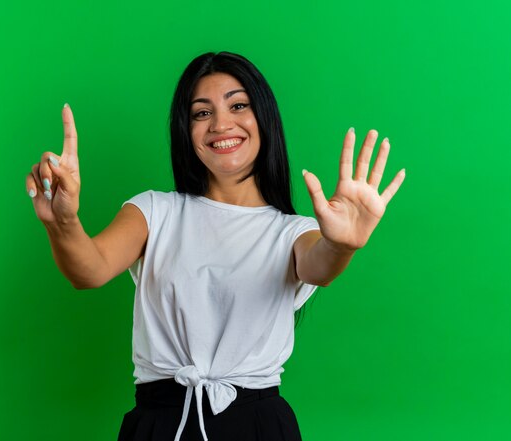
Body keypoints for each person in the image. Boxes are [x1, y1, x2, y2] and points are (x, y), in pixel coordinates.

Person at [25, 52, 405, 441]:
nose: (221, 124)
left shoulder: (293, 232)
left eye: (238, 105)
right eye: (201, 113)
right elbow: (90, 270)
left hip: (257, 426)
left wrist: (343, 245)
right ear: (185, 130)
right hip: (161, 422)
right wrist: (64, 222)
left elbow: (319, 264)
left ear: (265, 119)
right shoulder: (155, 210)